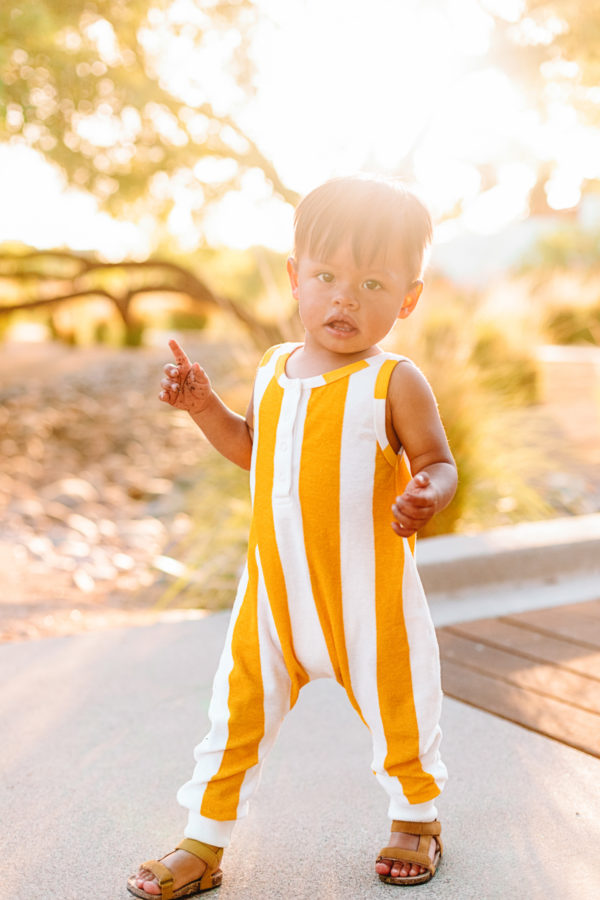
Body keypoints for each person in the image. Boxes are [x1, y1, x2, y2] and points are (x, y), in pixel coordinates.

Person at [128, 175, 457, 899]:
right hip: (272, 601)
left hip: (370, 604)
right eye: (327, 276)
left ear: (408, 298)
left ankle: (415, 818)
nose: (345, 298)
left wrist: (426, 490)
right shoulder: (276, 369)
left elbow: (437, 460)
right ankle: (203, 839)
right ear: (294, 278)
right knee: (232, 716)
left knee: (402, 709)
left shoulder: (394, 382)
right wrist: (202, 405)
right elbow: (255, 449)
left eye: (372, 282)